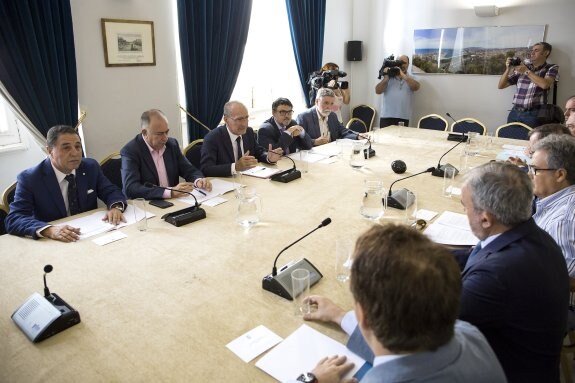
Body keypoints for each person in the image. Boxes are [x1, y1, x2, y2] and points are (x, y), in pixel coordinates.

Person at [294, 224, 506, 383]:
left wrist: (311, 380)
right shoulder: (470, 334)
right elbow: (409, 359)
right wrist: (340, 316)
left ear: (364, 317)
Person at [455, 162, 568, 382]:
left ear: (486, 218)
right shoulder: (532, 234)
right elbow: (476, 255)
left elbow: (429, 326)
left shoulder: (496, 275)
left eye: (464, 206)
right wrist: (421, 255)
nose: (464, 211)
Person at [6, 125, 127, 242]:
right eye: (66, 147)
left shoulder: (90, 167)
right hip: (54, 242)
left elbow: (110, 191)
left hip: (91, 235)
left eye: (78, 146)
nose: (75, 153)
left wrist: (115, 208)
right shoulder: (30, 178)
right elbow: (15, 219)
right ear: (50, 151)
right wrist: (49, 230)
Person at [121, 109, 212, 200]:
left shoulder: (172, 144)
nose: (165, 138)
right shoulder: (131, 151)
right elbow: (131, 188)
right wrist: (169, 192)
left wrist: (198, 180)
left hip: (174, 202)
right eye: (159, 134)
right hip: (147, 205)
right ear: (145, 133)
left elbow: (189, 170)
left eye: (166, 132)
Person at [530, 134, 575, 276]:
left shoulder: (561, 221)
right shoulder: (556, 198)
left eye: (535, 170)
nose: (529, 175)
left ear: (560, 175)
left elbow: (560, 277)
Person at [200, 101, 283, 177]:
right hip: (227, 183)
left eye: (246, 118)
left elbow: (259, 152)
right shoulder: (213, 138)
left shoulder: (248, 132)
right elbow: (206, 169)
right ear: (226, 120)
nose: (244, 124)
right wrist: (235, 167)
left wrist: (269, 157)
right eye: (239, 119)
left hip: (248, 181)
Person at [498, 42, 559, 128]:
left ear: (546, 53)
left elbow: (545, 84)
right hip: (515, 111)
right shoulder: (523, 68)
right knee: (510, 139)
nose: (532, 53)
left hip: (534, 114)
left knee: (532, 140)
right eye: (532, 50)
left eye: (536, 50)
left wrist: (526, 71)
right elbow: (501, 85)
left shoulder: (551, 68)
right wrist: (508, 69)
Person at [296, 88, 362, 147]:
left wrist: (358, 136)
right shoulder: (303, 117)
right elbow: (298, 142)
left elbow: (342, 131)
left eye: (331, 103)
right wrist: (314, 142)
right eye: (326, 103)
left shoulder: (332, 115)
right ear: (317, 101)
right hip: (312, 156)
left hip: (331, 152)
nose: (329, 107)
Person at [375, 54, 420, 128]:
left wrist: (403, 75)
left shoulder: (411, 78)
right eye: (400, 62)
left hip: (403, 117)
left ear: (408, 64)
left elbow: (416, 87)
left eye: (404, 63)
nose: (402, 65)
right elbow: (377, 91)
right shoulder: (388, 77)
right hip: (386, 116)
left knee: (400, 139)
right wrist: (386, 79)